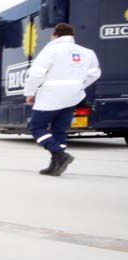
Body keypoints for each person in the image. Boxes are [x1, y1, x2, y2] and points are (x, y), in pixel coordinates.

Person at [24, 22, 101, 176]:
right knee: (59, 130)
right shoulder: (87, 52)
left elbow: (36, 73)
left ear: (56, 35)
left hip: (51, 96)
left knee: (36, 127)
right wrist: (78, 85)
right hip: (73, 96)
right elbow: (95, 73)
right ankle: (56, 166)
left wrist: (30, 92)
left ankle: (59, 154)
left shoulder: (51, 50)